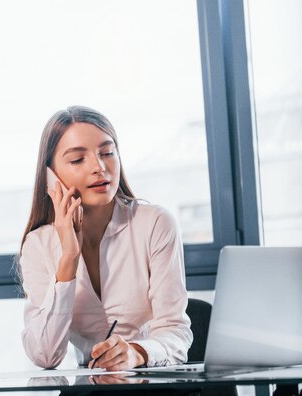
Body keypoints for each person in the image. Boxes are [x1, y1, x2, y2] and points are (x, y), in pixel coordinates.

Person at [19, 105, 193, 370]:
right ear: (50, 177)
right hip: (89, 388)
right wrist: (68, 259)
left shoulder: (155, 224)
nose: (99, 167)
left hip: (154, 383)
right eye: (78, 160)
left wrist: (137, 353)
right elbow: (45, 355)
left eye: (107, 153)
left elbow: (176, 333)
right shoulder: (38, 245)